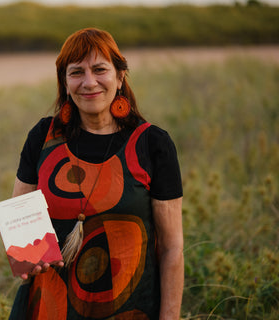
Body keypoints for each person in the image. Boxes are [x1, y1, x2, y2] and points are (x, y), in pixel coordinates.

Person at [10, 28, 183, 320]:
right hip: (49, 309)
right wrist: (27, 253)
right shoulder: (44, 136)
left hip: (129, 309)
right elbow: (20, 227)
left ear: (120, 77)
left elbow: (171, 248)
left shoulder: (152, 143)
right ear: (65, 83)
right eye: (76, 72)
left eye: (100, 69)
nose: (89, 82)